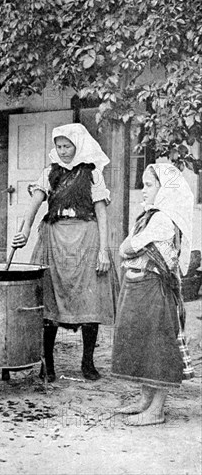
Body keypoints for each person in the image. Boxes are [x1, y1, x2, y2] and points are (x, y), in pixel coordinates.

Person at [12, 123, 119, 382]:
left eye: (67, 146)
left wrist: (103, 251)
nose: (63, 151)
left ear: (78, 145)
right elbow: (34, 204)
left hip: (87, 239)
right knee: (49, 299)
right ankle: (47, 365)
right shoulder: (49, 173)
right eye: (59, 146)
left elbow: (102, 214)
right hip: (55, 239)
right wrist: (24, 231)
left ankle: (88, 364)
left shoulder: (93, 174)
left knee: (88, 299)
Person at [111, 162, 194, 426]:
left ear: (165, 189)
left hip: (154, 290)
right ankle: (145, 400)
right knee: (143, 344)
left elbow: (127, 247)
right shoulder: (151, 215)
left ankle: (156, 409)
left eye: (149, 185)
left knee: (157, 348)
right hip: (140, 287)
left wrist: (128, 247)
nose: (143, 191)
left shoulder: (163, 219)